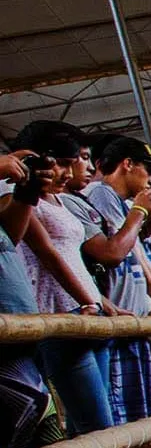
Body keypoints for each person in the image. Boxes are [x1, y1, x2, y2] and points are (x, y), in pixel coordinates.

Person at [76, 136, 151, 425]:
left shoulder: (125, 204)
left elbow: (150, 262)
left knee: (143, 416)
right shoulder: (101, 194)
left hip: (133, 317)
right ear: (128, 164)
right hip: (116, 321)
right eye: (148, 171)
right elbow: (115, 253)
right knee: (119, 418)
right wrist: (140, 213)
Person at [14, 122, 113, 435]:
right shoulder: (18, 196)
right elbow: (48, 254)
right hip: (59, 312)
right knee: (96, 424)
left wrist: (99, 300)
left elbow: (72, 257)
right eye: (63, 164)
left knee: (90, 421)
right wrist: (88, 300)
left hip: (87, 309)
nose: (69, 174)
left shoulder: (58, 200)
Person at [0, 134, 56, 448]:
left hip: (17, 324)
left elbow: (7, 237)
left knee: (43, 427)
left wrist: (27, 191)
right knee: (28, 410)